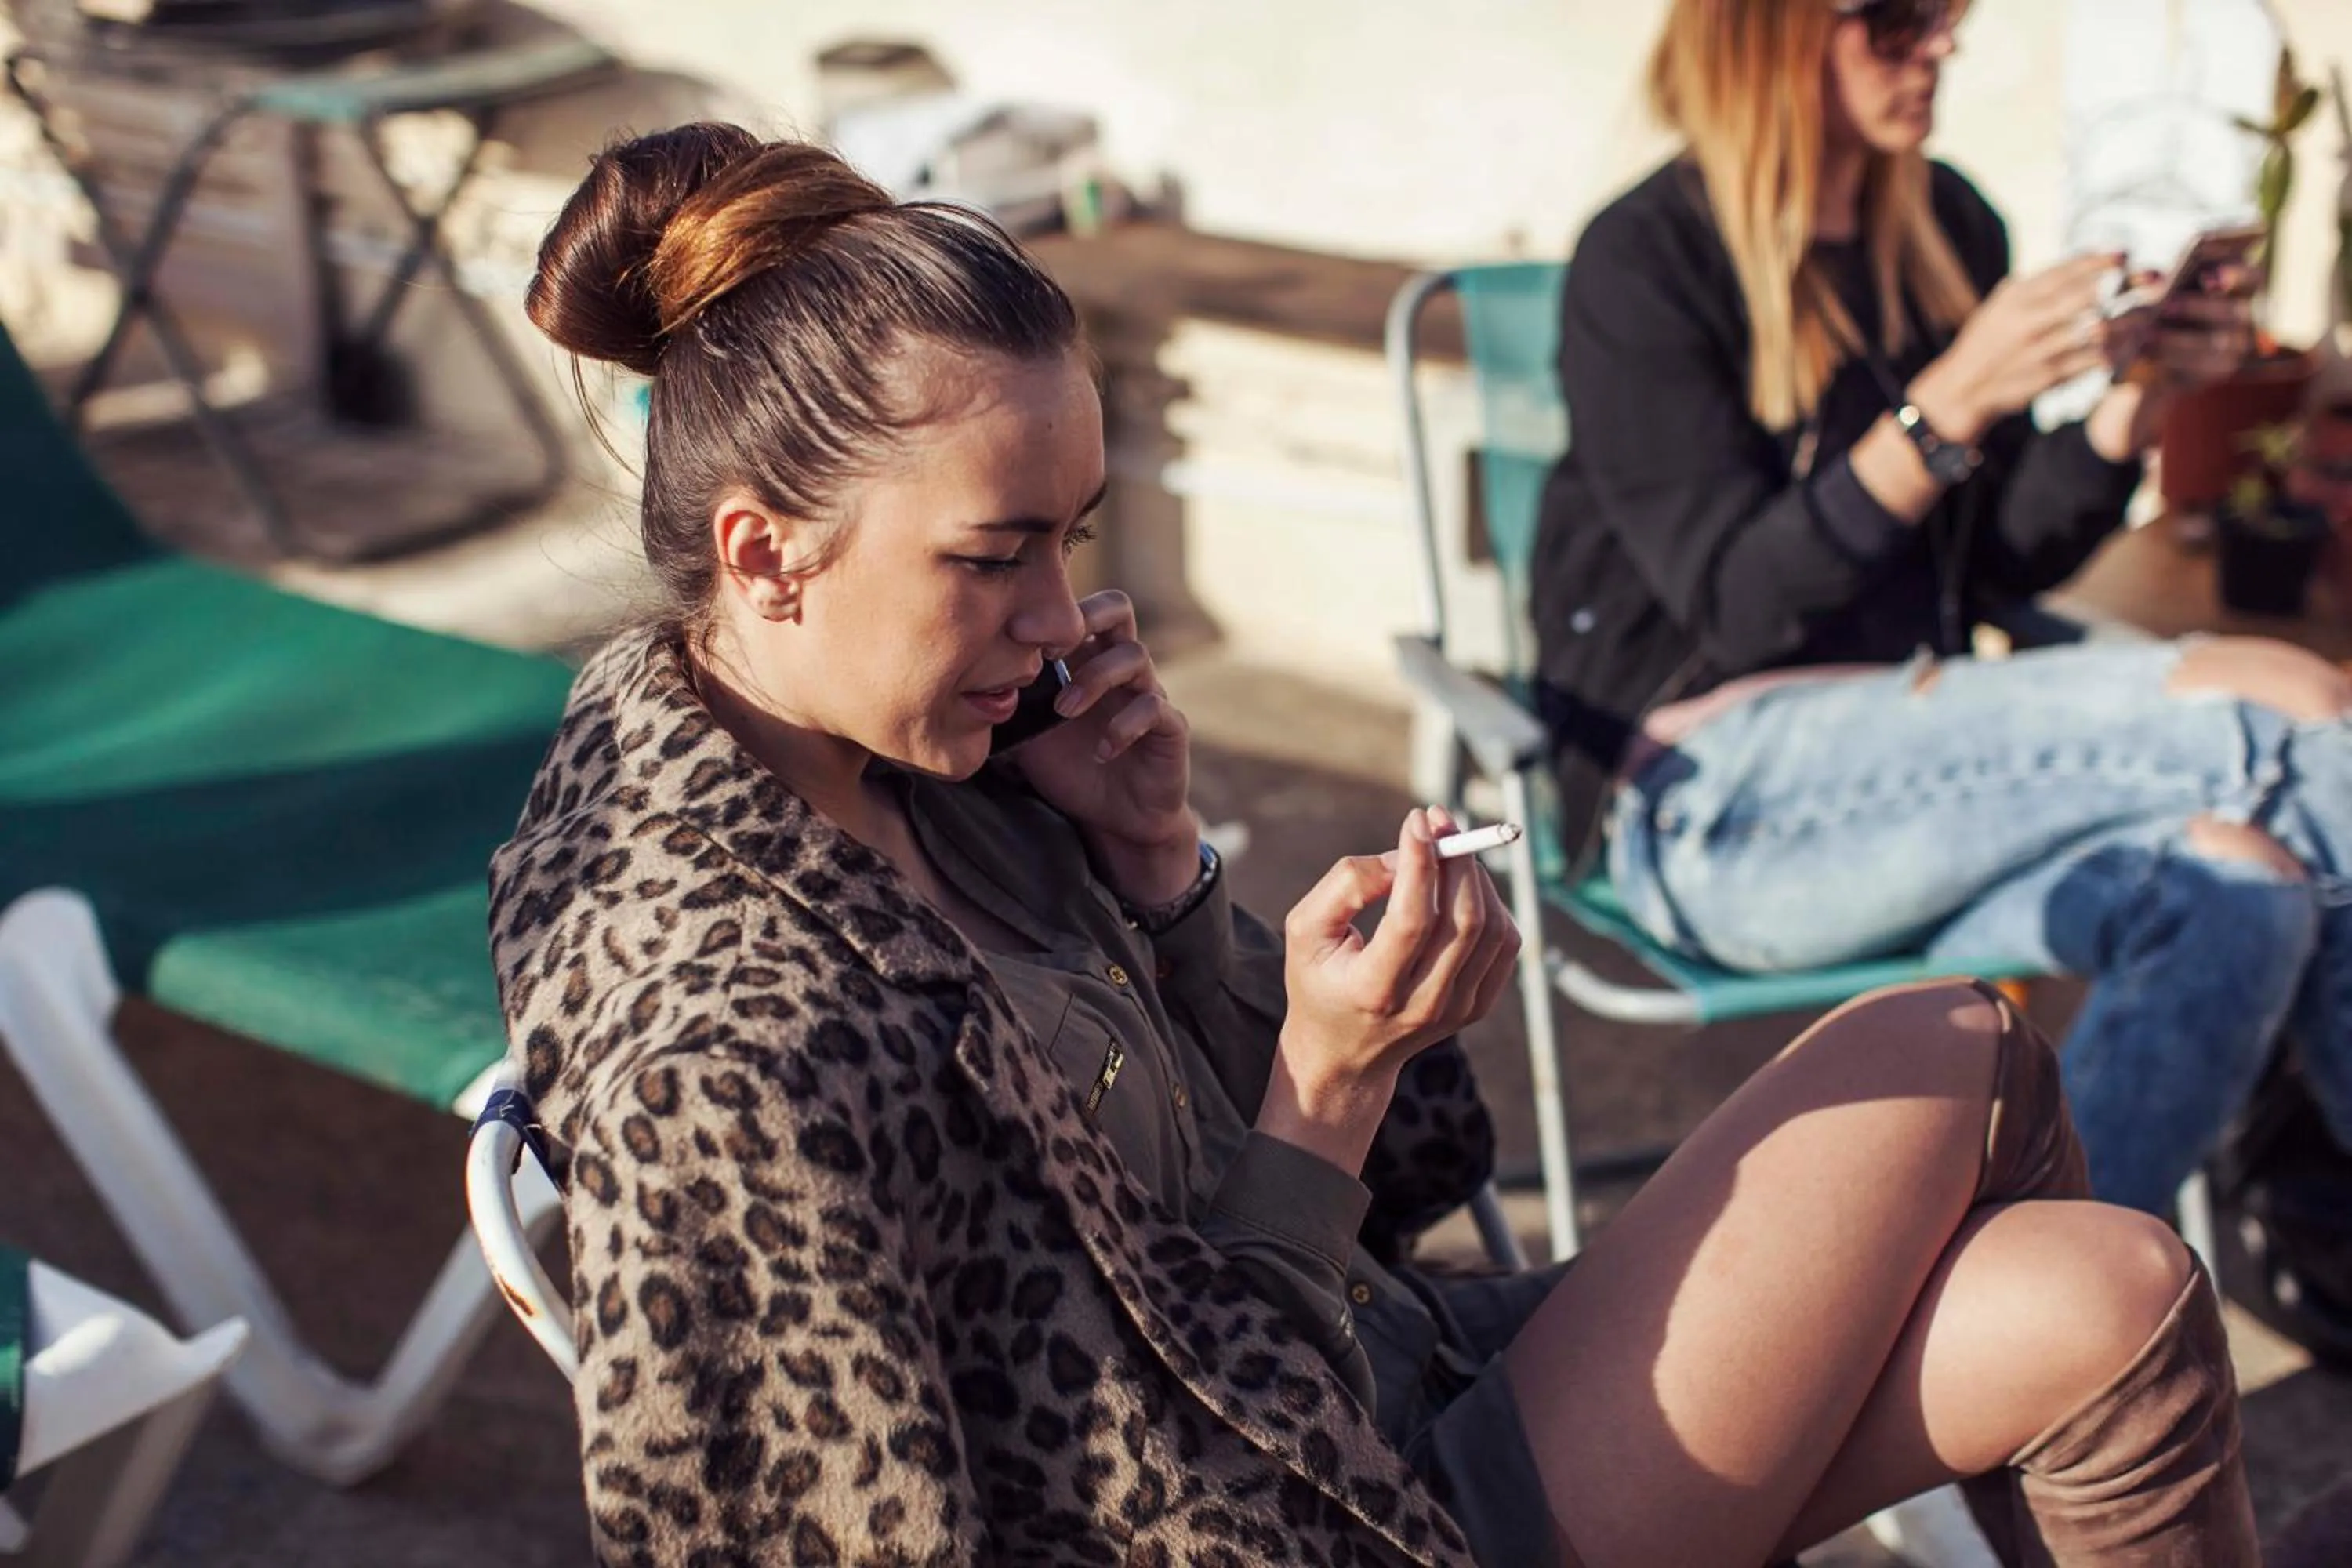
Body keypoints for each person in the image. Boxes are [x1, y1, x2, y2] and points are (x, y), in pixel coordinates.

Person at [491, 122, 2259, 1566]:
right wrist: (1324, 1093)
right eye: (993, 554)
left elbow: (1400, 1184)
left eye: (1074, 538)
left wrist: (1165, 878)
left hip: (1395, 1391)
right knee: (1954, 1040)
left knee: (2110, 1291)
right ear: (766, 549)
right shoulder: (728, 1045)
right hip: (1335, 1517)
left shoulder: (931, 773)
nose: (1065, 610)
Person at [1532, 0, 2352, 1219]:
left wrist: (2141, 402)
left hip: (1924, 790)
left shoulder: (1948, 222)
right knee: (2284, 711)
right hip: (1713, 806)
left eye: (1951, 16)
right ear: (1769, 30)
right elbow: (1739, 601)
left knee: (2241, 890)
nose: (1942, 48)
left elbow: (2002, 562)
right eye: (1899, 20)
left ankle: (2027, 1344)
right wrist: (1947, 404)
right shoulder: (1645, 261)